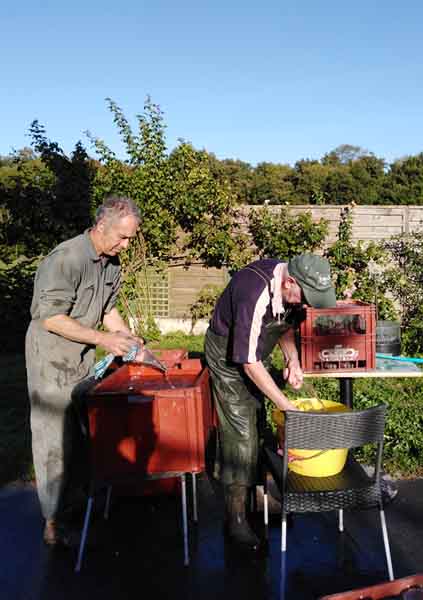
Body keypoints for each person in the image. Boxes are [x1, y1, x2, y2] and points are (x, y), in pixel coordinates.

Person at [25, 195, 145, 546]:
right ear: (101, 226)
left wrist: (124, 336)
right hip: (50, 359)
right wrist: (104, 340)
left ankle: (73, 502)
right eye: (122, 237)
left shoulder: (111, 264)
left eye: (130, 239)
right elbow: (50, 318)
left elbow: (107, 310)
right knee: (53, 440)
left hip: (81, 359)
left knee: (79, 434)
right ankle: (52, 522)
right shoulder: (67, 259)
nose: (126, 245)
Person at [204, 254, 337, 553]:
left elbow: (284, 326)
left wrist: (293, 360)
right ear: (291, 282)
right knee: (240, 433)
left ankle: (260, 495)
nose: (307, 305)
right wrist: (286, 405)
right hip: (227, 356)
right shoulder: (254, 291)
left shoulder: (288, 292)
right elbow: (249, 363)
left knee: (260, 422)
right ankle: (235, 517)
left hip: (253, 351)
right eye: (306, 297)